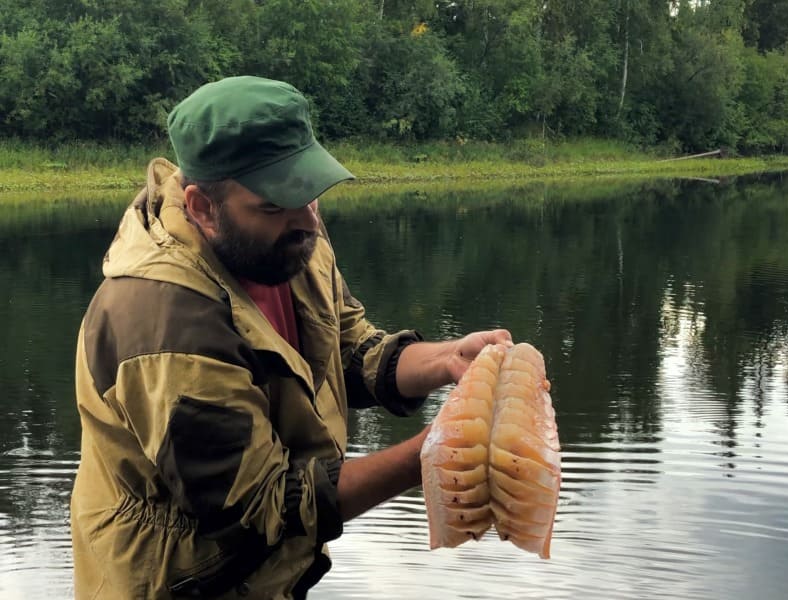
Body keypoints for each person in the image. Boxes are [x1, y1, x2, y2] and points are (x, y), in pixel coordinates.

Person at [70, 75, 512, 599]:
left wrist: (446, 360)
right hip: (176, 584)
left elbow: (349, 350)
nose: (308, 221)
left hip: (264, 579)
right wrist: (435, 453)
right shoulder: (165, 322)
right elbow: (264, 506)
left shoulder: (288, 243)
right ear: (202, 207)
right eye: (275, 205)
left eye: (310, 194)